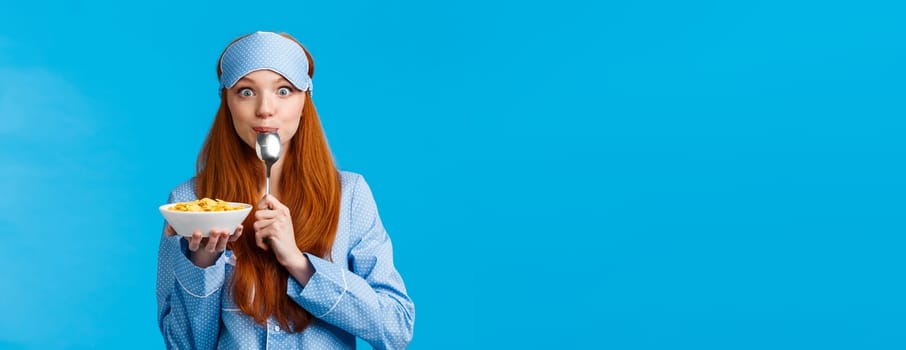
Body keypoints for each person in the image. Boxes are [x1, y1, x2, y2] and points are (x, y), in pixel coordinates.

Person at [156, 31, 415, 349]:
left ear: (305, 101)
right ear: (227, 103)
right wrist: (202, 263)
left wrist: (299, 263)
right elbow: (183, 345)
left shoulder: (350, 196)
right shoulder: (190, 204)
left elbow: (396, 328)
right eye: (246, 91)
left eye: (284, 90)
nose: (265, 109)